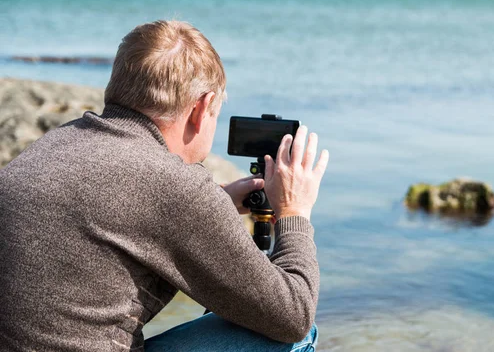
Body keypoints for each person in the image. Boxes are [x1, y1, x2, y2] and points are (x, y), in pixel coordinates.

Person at [0, 20, 329, 351]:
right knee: (298, 337)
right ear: (201, 108)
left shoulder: (54, 144)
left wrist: (220, 203)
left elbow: (124, 211)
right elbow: (292, 316)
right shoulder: (177, 188)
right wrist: (294, 211)